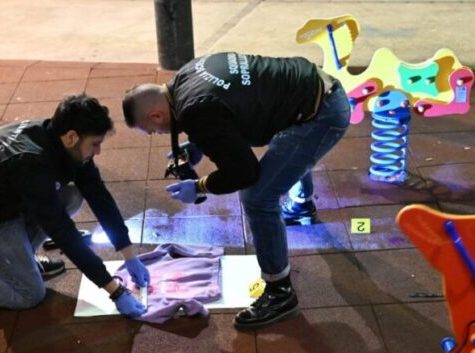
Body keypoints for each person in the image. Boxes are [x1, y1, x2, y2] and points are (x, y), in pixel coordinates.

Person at [122, 52, 350, 330]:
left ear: (156, 114)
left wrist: (198, 186)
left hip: (320, 115)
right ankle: (302, 204)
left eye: (154, 130)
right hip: (311, 91)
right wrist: (197, 145)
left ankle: (280, 292)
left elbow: (243, 172)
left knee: (258, 197)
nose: (158, 133)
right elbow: (226, 108)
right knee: (288, 157)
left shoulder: (194, 110)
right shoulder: (187, 73)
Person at [0, 94, 150, 331]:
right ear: (72, 137)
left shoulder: (57, 138)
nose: (98, 152)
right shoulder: (30, 162)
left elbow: (99, 197)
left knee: (72, 195)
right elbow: (62, 231)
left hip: (3, 203)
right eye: (95, 144)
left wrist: (129, 255)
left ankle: (23, 260)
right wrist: (115, 291)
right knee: (30, 293)